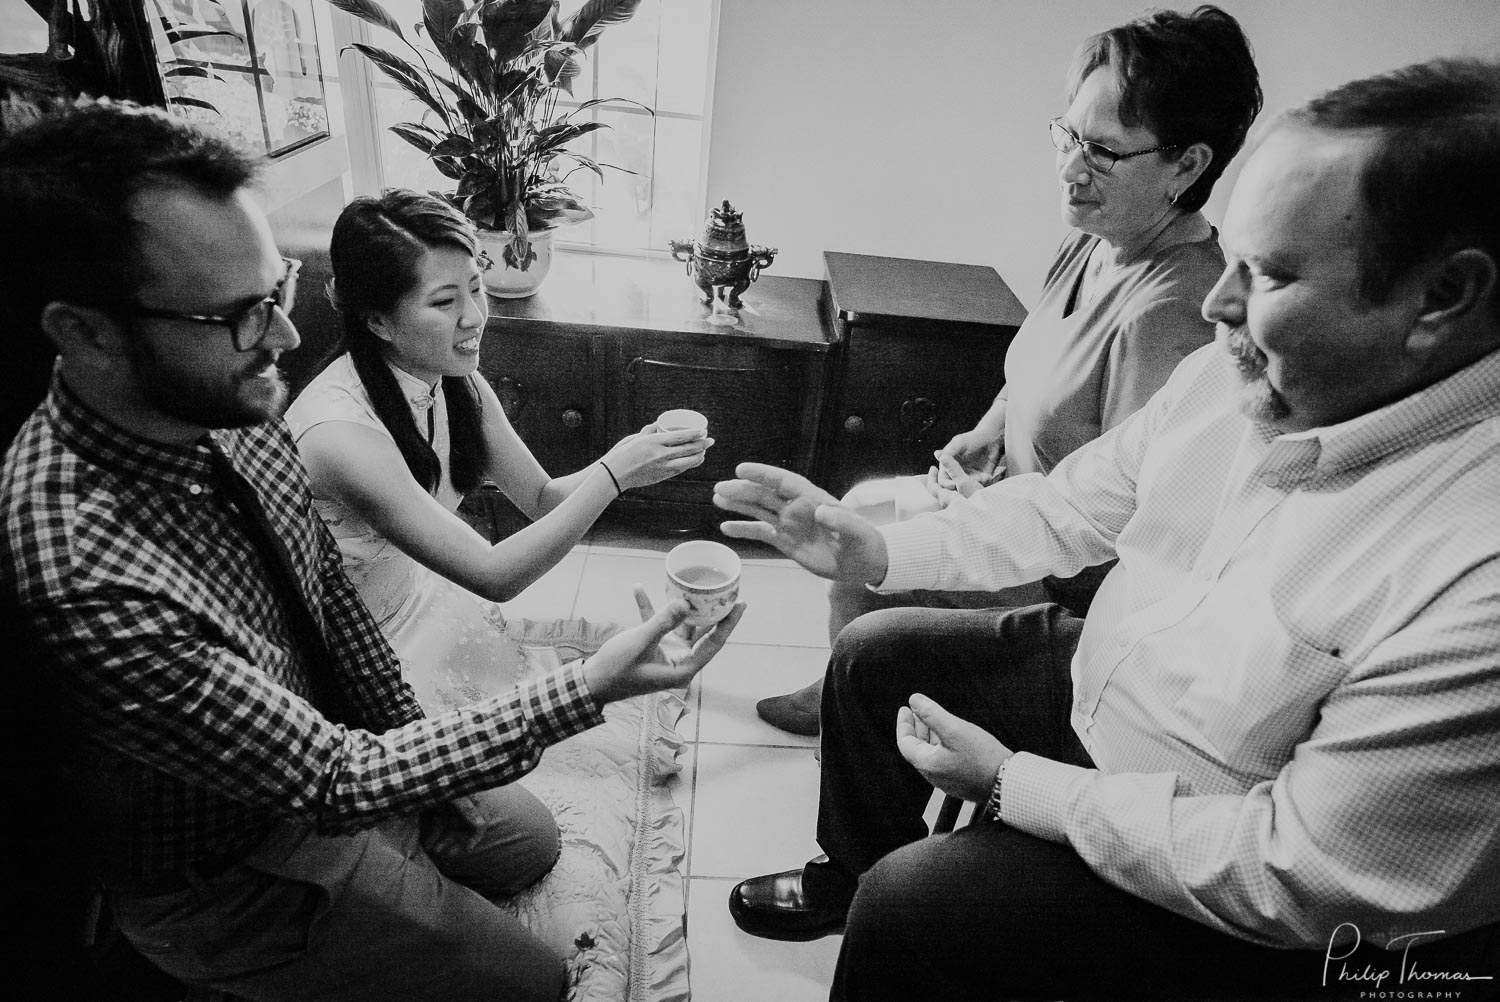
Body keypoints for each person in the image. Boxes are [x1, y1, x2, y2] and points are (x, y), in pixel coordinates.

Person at [715, 57, 1500, 1001]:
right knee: (872, 657)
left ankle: (887, 906)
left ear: (1444, 298)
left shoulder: (1476, 565)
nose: (1218, 303)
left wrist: (1017, 788)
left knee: (915, 910)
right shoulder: (1231, 373)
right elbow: (1075, 502)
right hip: (1113, 684)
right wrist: (875, 549)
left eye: (1271, 274)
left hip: (1238, 857)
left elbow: (1302, 874)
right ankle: (847, 871)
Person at [0, 99, 743, 1002]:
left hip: (340, 745)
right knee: (536, 983)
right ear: (84, 334)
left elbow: (327, 596)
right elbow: (328, 779)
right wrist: (586, 685)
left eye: (281, 295)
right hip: (241, 862)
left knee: (529, 844)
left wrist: (416, 747)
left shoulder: (232, 403)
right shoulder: (86, 577)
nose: (281, 339)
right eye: (238, 316)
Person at [757, 4, 1262, 736]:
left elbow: (1127, 517)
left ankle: (865, 701)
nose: (1069, 168)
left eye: (1104, 152)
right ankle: (849, 683)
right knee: (861, 508)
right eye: (1068, 136)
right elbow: (1039, 361)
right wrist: (988, 430)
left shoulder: (1173, 313)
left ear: (1187, 165)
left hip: (1062, 582)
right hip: (1010, 503)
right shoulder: (1095, 238)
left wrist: (982, 504)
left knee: (864, 552)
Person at [285, 189, 712, 716]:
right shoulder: (339, 434)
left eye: (475, 289)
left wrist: (630, 458)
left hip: (421, 603)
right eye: (444, 302)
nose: (473, 317)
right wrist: (613, 476)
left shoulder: (453, 382)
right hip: (360, 657)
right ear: (377, 321)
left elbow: (541, 497)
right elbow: (495, 575)